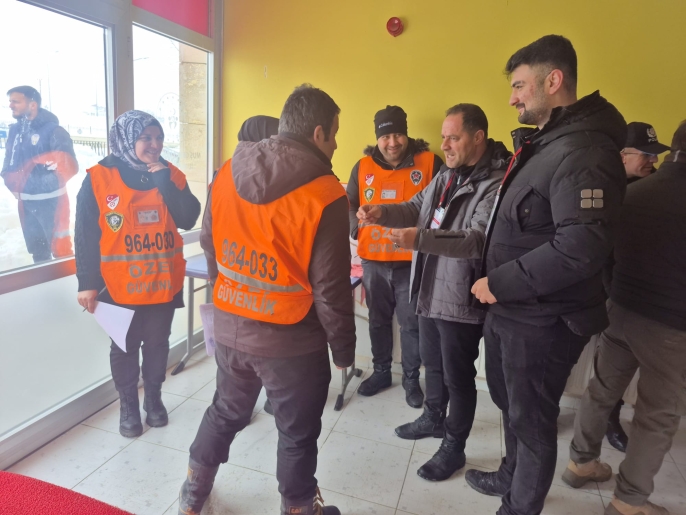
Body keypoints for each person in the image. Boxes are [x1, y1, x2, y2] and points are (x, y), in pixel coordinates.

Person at [464, 35, 627, 515]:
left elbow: (581, 247)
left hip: (545, 318)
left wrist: (498, 282)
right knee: (511, 404)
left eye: (519, 86)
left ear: (553, 81)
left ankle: (520, 506)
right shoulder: (547, 144)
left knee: (532, 419)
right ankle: (510, 476)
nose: (512, 98)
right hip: (514, 310)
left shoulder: (586, 152)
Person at [178, 84, 355, 515]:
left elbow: (210, 243)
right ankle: (299, 509)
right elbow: (331, 287)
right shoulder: (327, 193)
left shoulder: (226, 172)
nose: (335, 144)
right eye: (334, 134)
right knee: (296, 432)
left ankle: (192, 493)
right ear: (317, 133)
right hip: (292, 342)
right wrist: (343, 349)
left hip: (232, 329)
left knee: (225, 411)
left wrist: (229, 298)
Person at [358, 104, 510, 481]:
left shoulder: (496, 183)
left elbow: (477, 240)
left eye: (453, 137)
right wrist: (381, 212)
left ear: (478, 137)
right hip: (427, 289)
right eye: (443, 137)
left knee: (459, 377)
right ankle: (432, 417)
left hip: (458, 297)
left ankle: (453, 447)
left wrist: (420, 239)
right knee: (433, 365)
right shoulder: (446, 174)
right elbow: (414, 207)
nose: (444, 145)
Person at [561, 122, 686, 515]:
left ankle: (580, 463)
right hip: (672, 327)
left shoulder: (632, 193)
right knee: (656, 415)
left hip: (620, 310)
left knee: (600, 390)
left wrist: (615, 293)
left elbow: (604, 255)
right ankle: (629, 501)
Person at [75, 110, 200, 438]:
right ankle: (128, 406)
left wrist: (164, 183)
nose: (154, 144)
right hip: (119, 287)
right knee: (124, 347)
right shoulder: (98, 178)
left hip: (162, 282)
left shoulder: (170, 173)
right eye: (146, 138)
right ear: (127, 139)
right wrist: (86, 283)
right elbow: (85, 234)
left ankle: (154, 399)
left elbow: (188, 218)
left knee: (158, 344)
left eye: (159, 137)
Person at [346, 105, 442, 407]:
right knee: (377, 321)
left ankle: (411, 380)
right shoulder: (362, 167)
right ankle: (381, 372)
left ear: (407, 134)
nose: (392, 142)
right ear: (377, 138)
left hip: (412, 263)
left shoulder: (430, 163)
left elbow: (443, 205)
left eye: (398, 134)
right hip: (373, 261)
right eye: (385, 136)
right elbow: (348, 203)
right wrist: (355, 229)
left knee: (411, 325)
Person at [603, 121, 670, 453]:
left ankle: (610, 419)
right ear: (622, 156)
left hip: (636, 297)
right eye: (646, 154)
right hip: (599, 291)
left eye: (655, 155)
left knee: (617, 369)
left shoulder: (659, 192)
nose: (653, 161)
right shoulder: (602, 189)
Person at [1, 85, 78, 263]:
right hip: (25, 203)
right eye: (10, 101)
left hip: (52, 204)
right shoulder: (15, 131)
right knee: (38, 253)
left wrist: (36, 186)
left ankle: (66, 281)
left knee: (61, 252)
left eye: (16, 101)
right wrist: (9, 179)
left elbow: (69, 167)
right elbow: (8, 160)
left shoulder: (54, 131)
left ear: (33, 104)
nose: (10, 105)